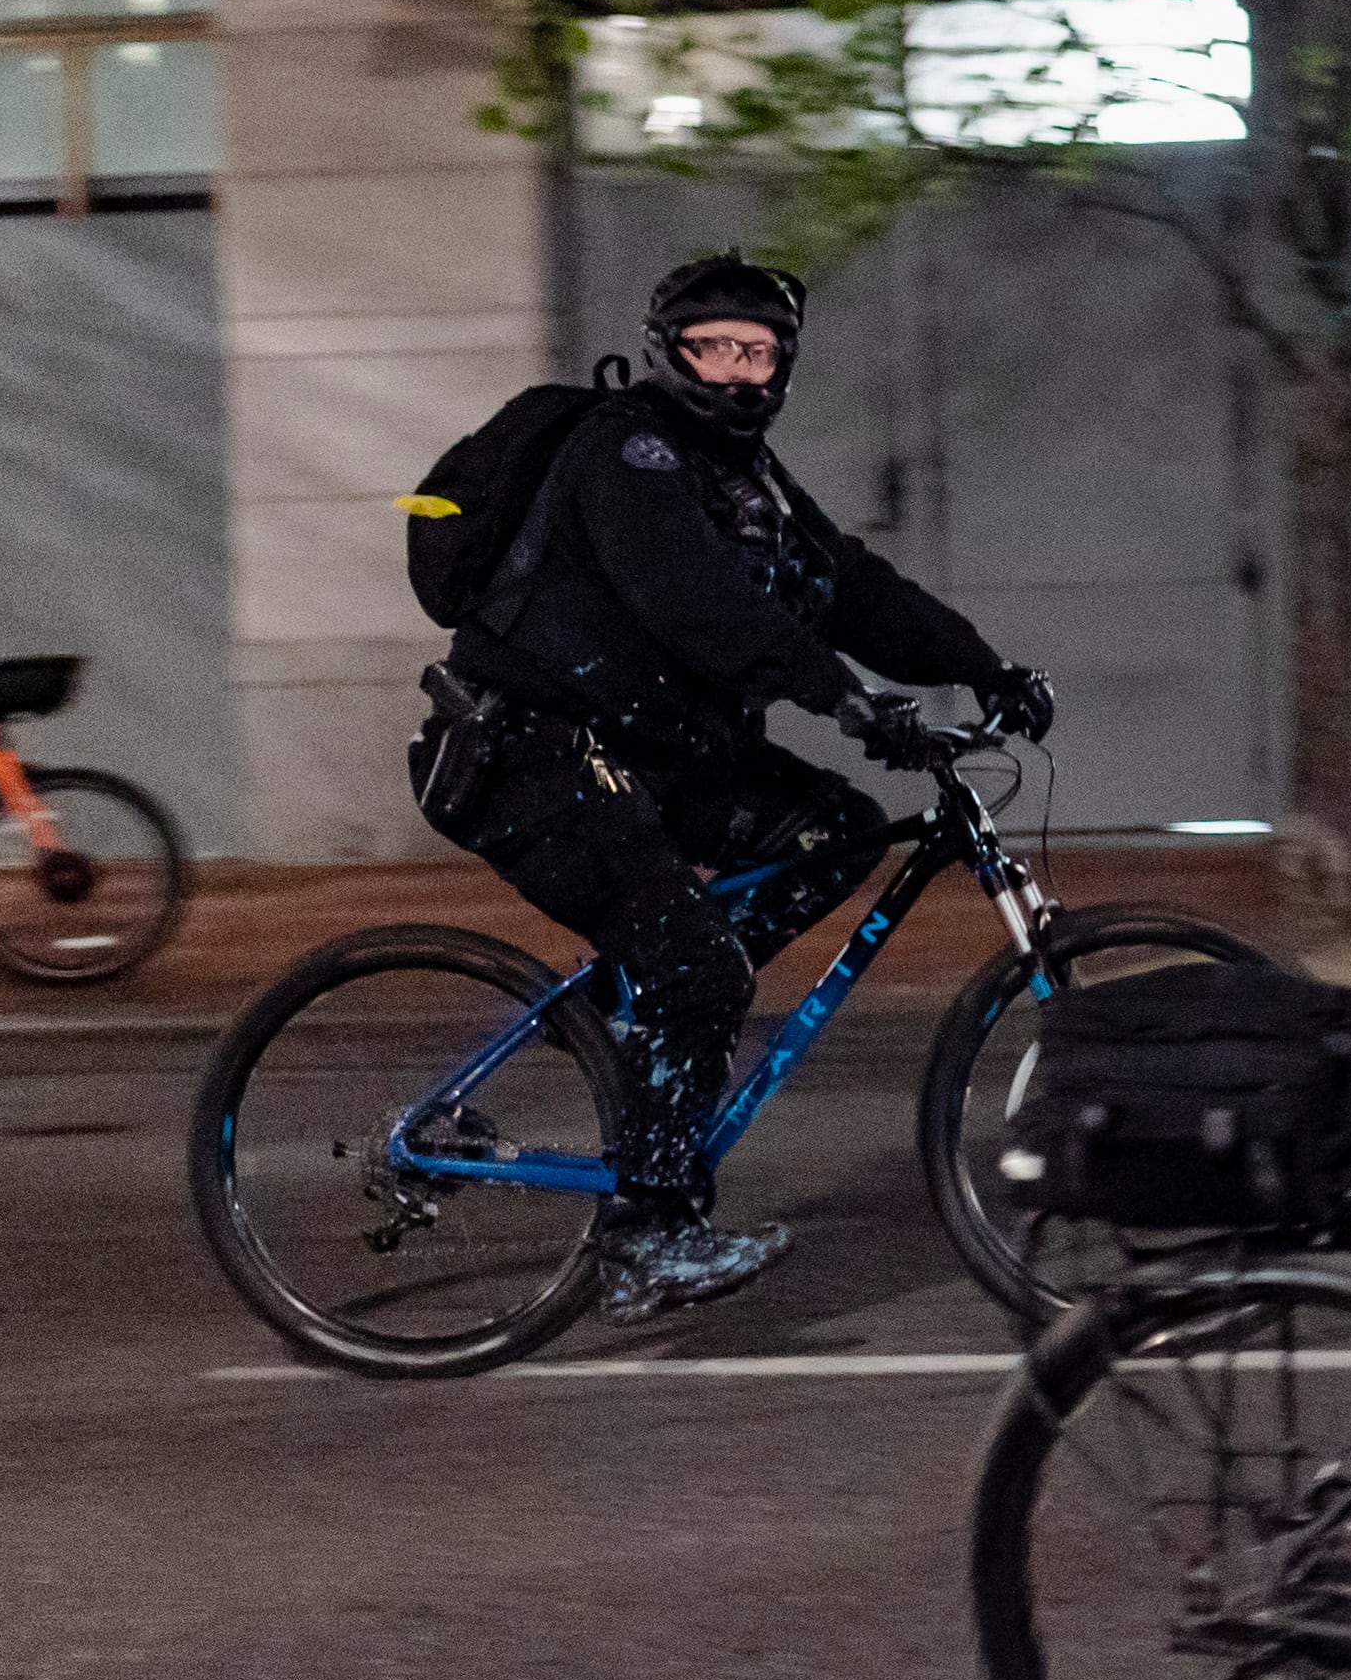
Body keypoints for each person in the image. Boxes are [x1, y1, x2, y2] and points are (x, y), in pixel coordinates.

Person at [413, 252, 1055, 1320]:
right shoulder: (630, 453)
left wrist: (980, 666)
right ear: (671, 348)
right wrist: (845, 702)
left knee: (836, 831)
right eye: (716, 346)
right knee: (702, 970)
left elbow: (850, 586)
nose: (738, 370)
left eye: (758, 352)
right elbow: (696, 604)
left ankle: (652, 1018)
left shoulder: (748, 478)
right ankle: (647, 1236)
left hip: (652, 754)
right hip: (533, 755)